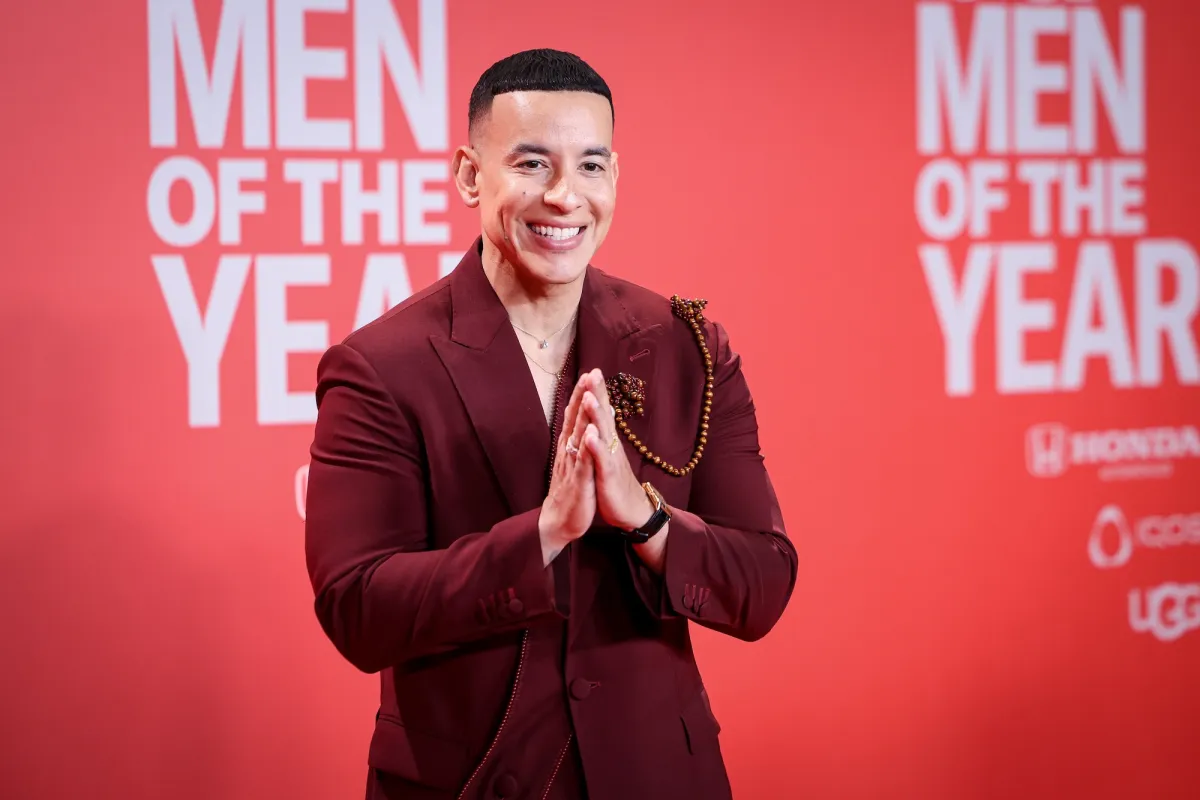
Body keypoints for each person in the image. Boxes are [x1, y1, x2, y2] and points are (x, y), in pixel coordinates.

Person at [304, 48, 797, 800]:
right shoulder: (380, 366)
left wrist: (646, 520)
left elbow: (763, 583)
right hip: (470, 780)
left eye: (590, 166)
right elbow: (358, 607)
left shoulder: (689, 346)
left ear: (615, 176)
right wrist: (542, 533)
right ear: (471, 175)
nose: (565, 197)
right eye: (532, 164)